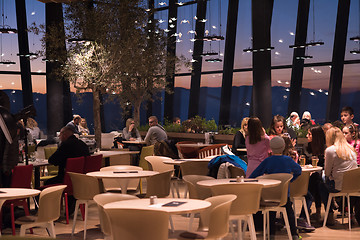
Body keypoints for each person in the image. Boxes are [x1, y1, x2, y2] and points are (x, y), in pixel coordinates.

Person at [250, 136, 302, 240]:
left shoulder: (267, 161)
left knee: (270, 212)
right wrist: (290, 180)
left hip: (269, 195)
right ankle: (294, 234)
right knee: (289, 211)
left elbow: (254, 175)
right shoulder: (288, 160)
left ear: (270, 148)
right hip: (284, 195)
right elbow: (299, 170)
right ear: (283, 147)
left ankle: (271, 234)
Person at [319, 127, 357, 225]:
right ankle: (351, 214)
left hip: (337, 187)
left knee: (320, 183)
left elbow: (327, 173)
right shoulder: (351, 149)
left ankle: (329, 215)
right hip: (353, 187)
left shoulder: (330, 150)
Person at [304, 125, 326, 222]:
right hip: (307, 174)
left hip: (321, 175)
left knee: (316, 179)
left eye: (309, 134)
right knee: (315, 180)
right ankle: (313, 212)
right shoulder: (306, 146)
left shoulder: (324, 148)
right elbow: (305, 160)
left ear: (316, 136)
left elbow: (324, 165)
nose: (306, 136)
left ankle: (307, 212)